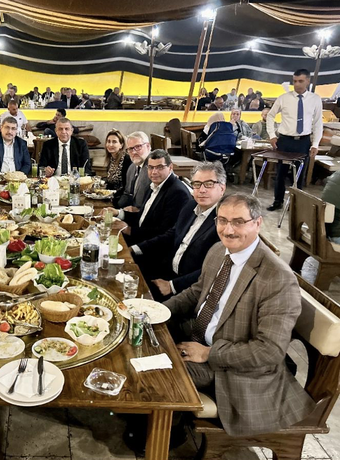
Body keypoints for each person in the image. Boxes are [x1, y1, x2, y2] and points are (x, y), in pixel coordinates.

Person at [164, 193, 315, 436]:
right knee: (142, 339)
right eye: (222, 220)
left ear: (257, 222)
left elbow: (269, 351)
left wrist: (208, 353)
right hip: (198, 334)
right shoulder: (218, 250)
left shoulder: (277, 279)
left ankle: (164, 434)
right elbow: (197, 292)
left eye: (238, 222)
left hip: (231, 367)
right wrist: (159, 311)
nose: (228, 229)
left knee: (160, 374)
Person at [138, 162, 226, 301]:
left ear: (222, 188)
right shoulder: (191, 205)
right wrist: (136, 249)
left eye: (208, 184)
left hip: (188, 289)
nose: (201, 190)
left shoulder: (225, 221)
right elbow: (171, 235)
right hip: (167, 270)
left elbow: (214, 269)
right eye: (196, 184)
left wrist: (172, 286)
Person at [108, 149, 191, 248]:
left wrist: (129, 230)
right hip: (140, 237)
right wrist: (118, 213)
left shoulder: (177, 192)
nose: (154, 172)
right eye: (151, 167)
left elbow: (164, 232)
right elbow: (143, 217)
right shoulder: (154, 184)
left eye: (159, 167)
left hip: (151, 248)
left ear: (170, 167)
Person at [265, 68, 323, 211]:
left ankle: (296, 203)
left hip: (303, 141)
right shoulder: (283, 98)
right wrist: (272, 135)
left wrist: (315, 143)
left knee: (299, 174)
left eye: (300, 81)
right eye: (295, 81)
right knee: (281, 172)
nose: (297, 84)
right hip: (285, 140)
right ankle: (277, 201)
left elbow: (317, 123)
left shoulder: (315, 99)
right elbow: (270, 116)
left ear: (307, 81)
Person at [114, 132, 152, 209]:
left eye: (138, 147)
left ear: (148, 146)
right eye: (130, 149)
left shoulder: (154, 169)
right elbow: (127, 194)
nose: (134, 152)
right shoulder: (132, 167)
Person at [103, 130, 131, 195]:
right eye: (108, 141)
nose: (110, 144)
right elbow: (110, 181)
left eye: (114, 142)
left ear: (121, 145)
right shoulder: (111, 158)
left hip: (121, 197)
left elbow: (126, 187)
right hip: (111, 194)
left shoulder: (127, 160)